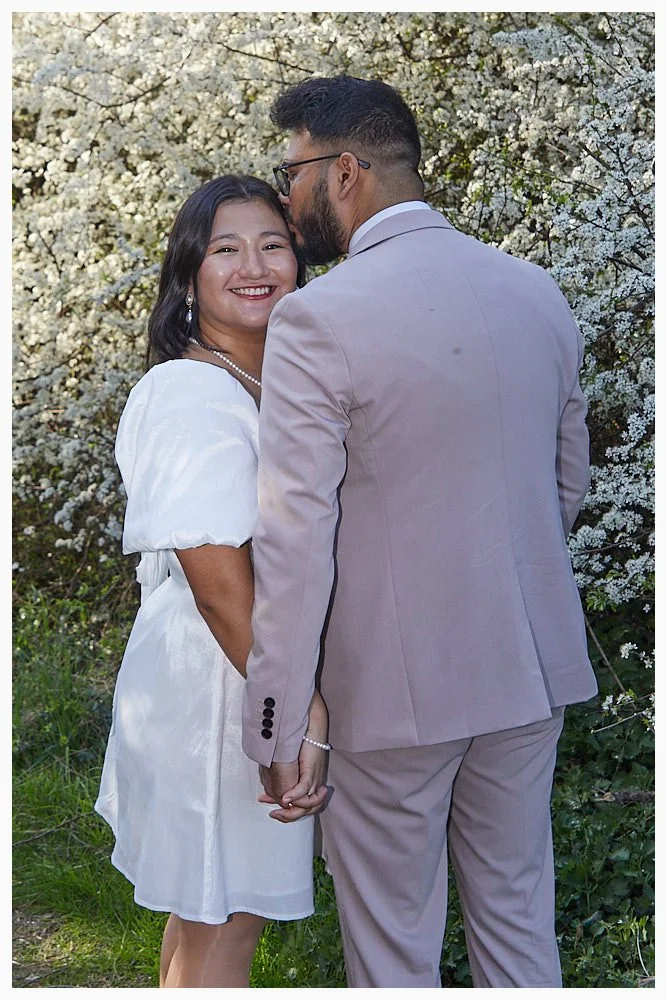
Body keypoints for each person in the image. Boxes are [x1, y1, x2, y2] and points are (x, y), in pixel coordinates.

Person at [241, 75, 599, 988]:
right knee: (519, 917)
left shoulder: (317, 318)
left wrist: (277, 723)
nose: (287, 197)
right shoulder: (535, 291)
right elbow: (565, 486)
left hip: (390, 697)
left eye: (292, 174)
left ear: (345, 170)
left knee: (394, 946)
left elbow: (294, 536)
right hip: (525, 670)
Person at [94, 174, 328, 989]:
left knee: (209, 915)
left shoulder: (260, 378)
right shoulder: (189, 391)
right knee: (223, 922)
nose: (253, 265)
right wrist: (291, 709)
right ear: (190, 274)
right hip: (223, 680)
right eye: (224, 250)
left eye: (272, 243)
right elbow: (217, 580)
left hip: (240, 667)